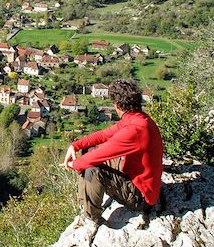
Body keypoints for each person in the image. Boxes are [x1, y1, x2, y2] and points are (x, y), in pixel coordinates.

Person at [61, 79, 163, 225]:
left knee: (92, 169)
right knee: (88, 151)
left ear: (118, 105)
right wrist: (75, 145)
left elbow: (97, 156)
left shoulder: (135, 130)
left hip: (140, 197)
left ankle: (92, 217)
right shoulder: (138, 119)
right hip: (138, 178)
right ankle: (86, 198)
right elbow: (104, 135)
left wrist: (73, 164)